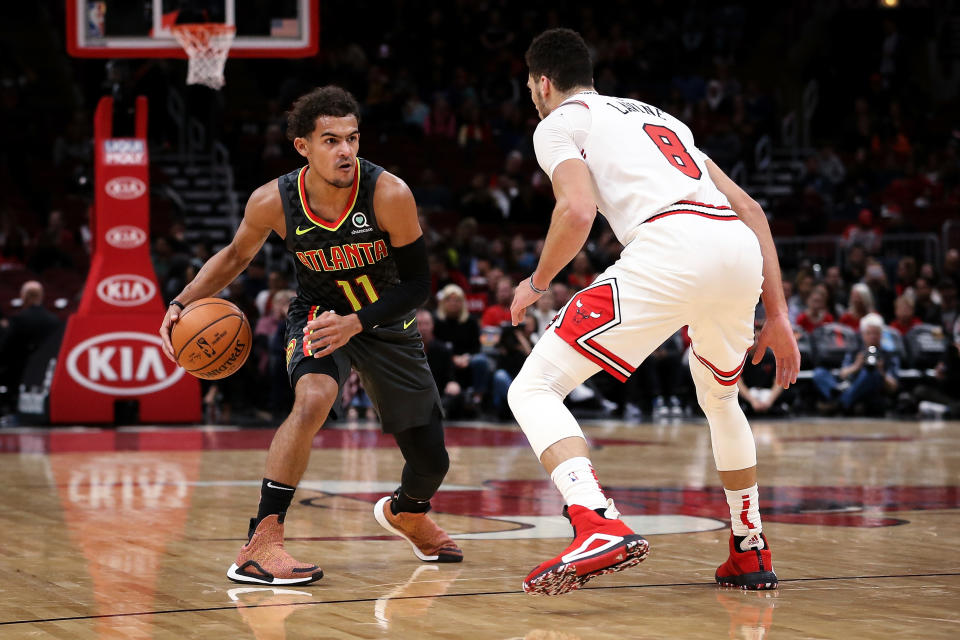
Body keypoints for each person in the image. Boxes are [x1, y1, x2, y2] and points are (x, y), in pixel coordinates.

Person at [507, 29, 799, 595]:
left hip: (671, 246)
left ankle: (594, 521)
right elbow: (753, 209)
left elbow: (576, 210)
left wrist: (537, 281)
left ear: (542, 83)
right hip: (735, 249)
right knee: (719, 397)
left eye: (531, 87)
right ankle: (749, 547)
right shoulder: (661, 117)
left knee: (534, 387)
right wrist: (779, 315)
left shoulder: (560, 122)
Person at [159, 86, 462, 586]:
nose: (345, 150)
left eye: (352, 138)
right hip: (319, 315)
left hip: (385, 321)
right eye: (330, 140)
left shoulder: (389, 193)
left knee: (431, 460)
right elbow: (235, 257)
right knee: (312, 399)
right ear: (303, 146)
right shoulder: (273, 201)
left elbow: (418, 285)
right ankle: (262, 542)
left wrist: (357, 323)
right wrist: (182, 302)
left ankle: (407, 511)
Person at [812, 313, 900, 415]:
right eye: (869, 333)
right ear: (862, 334)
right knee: (819, 373)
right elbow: (843, 374)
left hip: (872, 394)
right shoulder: (855, 351)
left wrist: (881, 372)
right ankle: (844, 402)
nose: (872, 336)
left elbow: (893, 387)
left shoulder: (890, 354)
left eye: (876, 333)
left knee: (872, 374)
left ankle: (839, 404)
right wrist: (856, 366)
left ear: (881, 334)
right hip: (850, 386)